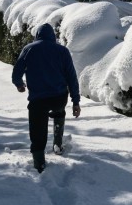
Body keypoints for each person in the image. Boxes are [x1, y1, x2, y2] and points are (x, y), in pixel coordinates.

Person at [11, 23, 81, 173]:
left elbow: (16, 73)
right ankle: (57, 143)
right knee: (59, 112)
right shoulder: (62, 51)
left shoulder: (29, 49)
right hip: (59, 97)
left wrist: (19, 84)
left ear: (37, 35)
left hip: (38, 100)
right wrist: (76, 101)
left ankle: (39, 162)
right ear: (52, 37)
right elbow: (72, 78)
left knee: (37, 129)